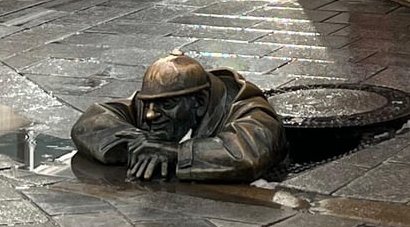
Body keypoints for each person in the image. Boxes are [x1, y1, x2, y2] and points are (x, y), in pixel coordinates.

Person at [70, 53, 287, 183]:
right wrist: (138, 145)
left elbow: (249, 155)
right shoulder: (153, 104)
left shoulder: (248, 108)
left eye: (167, 105)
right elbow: (89, 123)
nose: (150, 114)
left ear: (200, 102)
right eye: (148, 104)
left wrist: (175, 153)